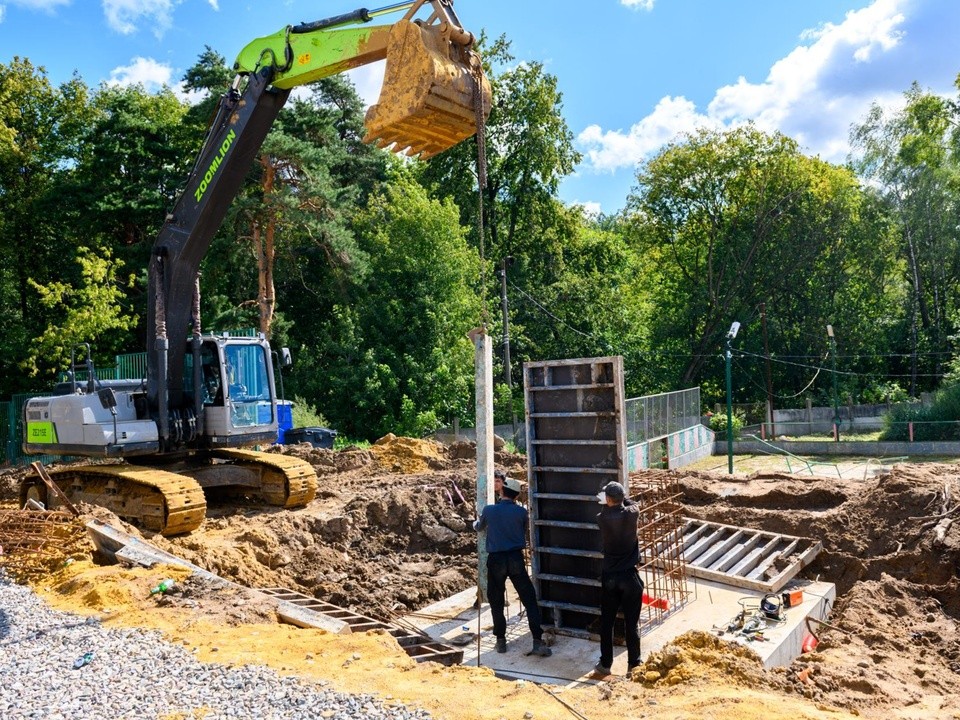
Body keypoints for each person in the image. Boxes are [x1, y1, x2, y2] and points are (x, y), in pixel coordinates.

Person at [474, 475, 552, 657]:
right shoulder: (521, 513)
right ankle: (537, 641)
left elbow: (479, 527)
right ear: (516, 496)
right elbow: (524, 528)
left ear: (501, 491)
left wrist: (475, 522)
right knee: (529, 598)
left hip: (496, 560)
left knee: (496, 600)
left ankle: (500, 641)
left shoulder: (489, 510)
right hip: (516, 559)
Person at [594, 480, 642, 676]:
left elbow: (608, 509)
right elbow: (632, 505)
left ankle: (605, 664)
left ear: (607, 500)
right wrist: (621, 497)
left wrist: (607, 501)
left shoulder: (601, 518)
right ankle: (634, 665)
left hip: (610, 578)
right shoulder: (632, 514)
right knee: (632, 624)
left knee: (607, 622)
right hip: (630, 577)